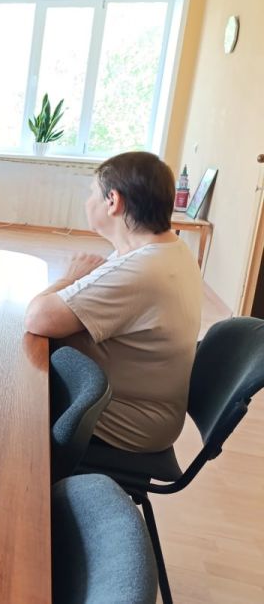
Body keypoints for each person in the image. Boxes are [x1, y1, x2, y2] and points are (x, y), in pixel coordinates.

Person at [24, 152, 202, 453]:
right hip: (140, 408)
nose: (87, 201)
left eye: (91, 193)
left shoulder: (144, 269)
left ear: (113, 201)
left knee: (4, 397)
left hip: (122, 420)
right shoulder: (169, 249)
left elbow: (38, 318)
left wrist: (70, 276)